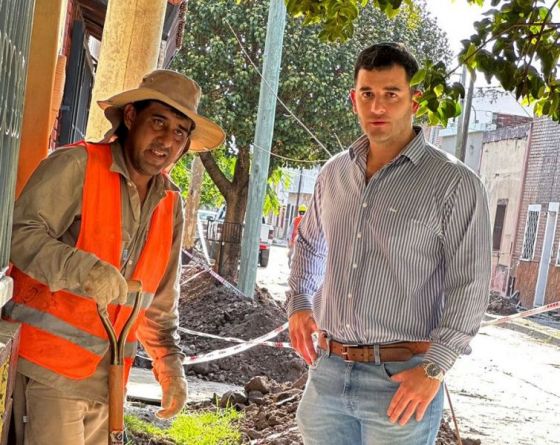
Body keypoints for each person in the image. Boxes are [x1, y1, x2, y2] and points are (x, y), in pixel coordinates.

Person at [4, 69, 225, 445]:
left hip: (109, 381)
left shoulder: (170, 205)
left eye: (179, 132)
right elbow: (18, 235)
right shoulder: (77, 166)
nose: (166, 140)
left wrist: (168, 363)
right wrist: (84, 271)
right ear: (130, 117)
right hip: (49, 370)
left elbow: (158, 301)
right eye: (158, 122)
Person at [287, 42, 491, 445]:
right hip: (327, 374)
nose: (377, 107)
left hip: (402, 381)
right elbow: (310, 244)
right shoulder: (333, 175)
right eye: (368, 94)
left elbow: (470, 284)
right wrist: (299, 303)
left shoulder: (454, 184)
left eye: (391, 94)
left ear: (414, 100)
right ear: (354, 100)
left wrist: (435, 369)